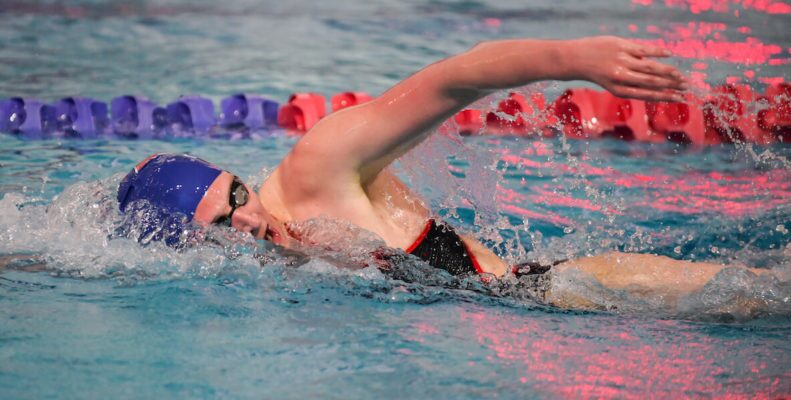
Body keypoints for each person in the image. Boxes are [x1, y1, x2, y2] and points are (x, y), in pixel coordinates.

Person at [116, 36, 770, 309]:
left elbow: (453, 79)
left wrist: (572, 56)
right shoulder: (265, 279)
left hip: (575, 289)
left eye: (237, 193)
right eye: (224, 224)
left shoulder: (319, 166)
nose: (251, 218)